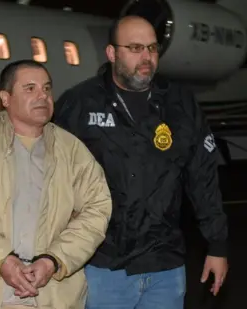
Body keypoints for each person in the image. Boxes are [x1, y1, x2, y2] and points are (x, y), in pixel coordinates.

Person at [53, 16, 229, 309]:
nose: (146, 57)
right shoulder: (79, 104)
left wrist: (217, 245)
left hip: (165, 266)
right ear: (112, 53)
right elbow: (48, 174)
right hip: (101, 265)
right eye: (135, 48)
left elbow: (203, 178)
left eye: (152, 48)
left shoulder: (180, 104)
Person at [0, 59, 112, 309]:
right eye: (30, 89)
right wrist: (1, 260)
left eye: (47, 89)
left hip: (51, 295)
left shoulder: (71, 151)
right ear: (6, 97)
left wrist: (53, 260)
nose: (42, 96)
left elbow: (97, 210)